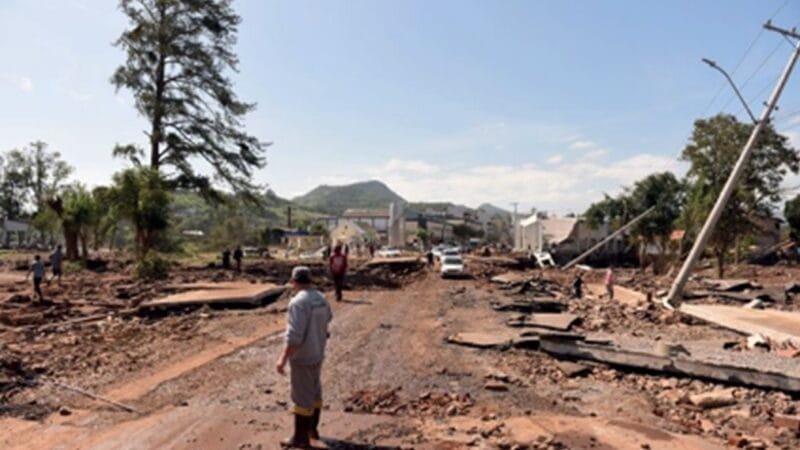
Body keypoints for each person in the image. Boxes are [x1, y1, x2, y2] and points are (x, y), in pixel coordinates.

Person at [276, 266, 333, 449]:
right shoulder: (321, 298)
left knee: (301, 397)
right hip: (318, 353)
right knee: (314, 392)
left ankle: (300, 438)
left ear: (293, 281)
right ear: (310, 280)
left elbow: (295, 336)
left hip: (303, 356)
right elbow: (328, 320)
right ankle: (312, 430)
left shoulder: (298, 302)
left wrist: (283, 359)